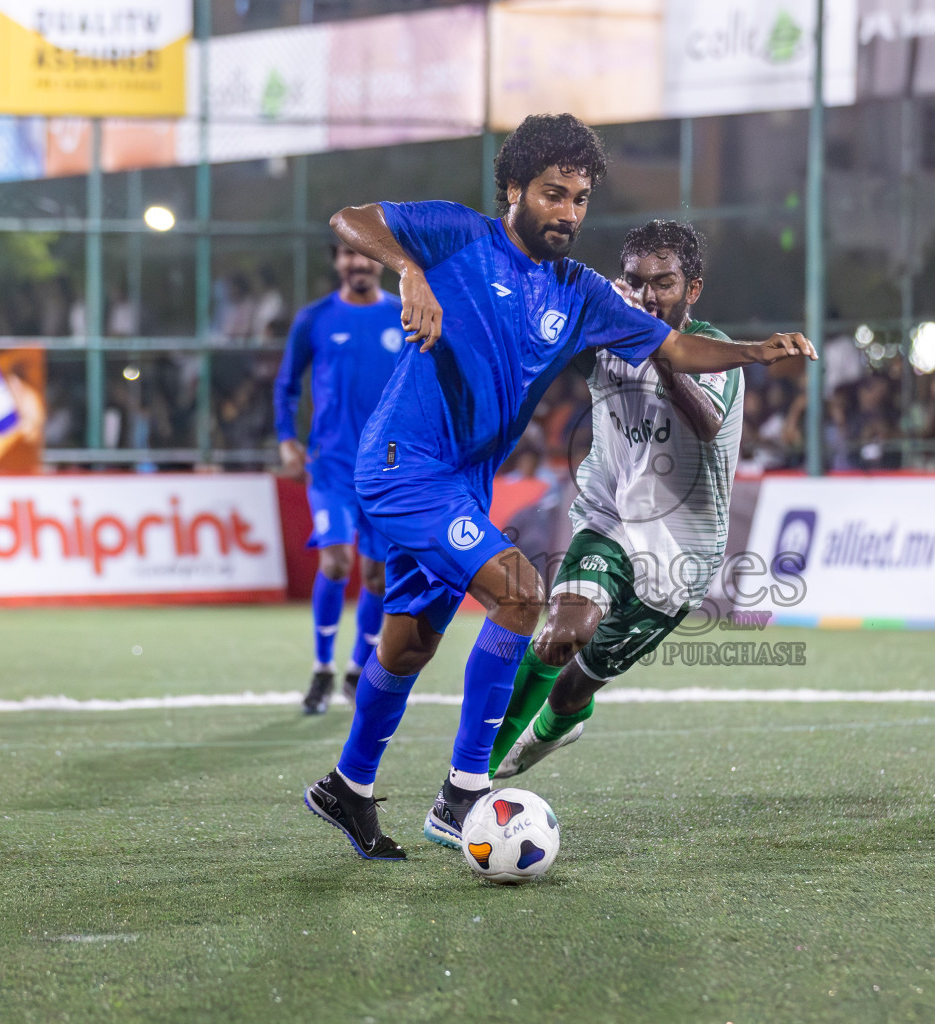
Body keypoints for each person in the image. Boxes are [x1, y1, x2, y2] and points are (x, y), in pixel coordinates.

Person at [304, 114, 815, 861]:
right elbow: (351, 219)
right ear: (514, 189)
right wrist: (407, 269)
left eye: (579, 198)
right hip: (402, 465)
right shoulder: (456, 234)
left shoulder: (579, 292)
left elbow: (673, 345)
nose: (568, 213)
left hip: (463, 485)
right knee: (521, 592)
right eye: (553, 194)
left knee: (409, 645)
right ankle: (465, 794)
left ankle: (347, 789)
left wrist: (754, 351)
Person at [487, 219, 743, 780]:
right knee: (560, 636)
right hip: (609, 519)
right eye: (636, 282)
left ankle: (561, 722)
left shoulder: (716, 350)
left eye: (665, 282)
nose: (650, 295)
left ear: (692, 289)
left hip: (680, 553)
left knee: (576, 686)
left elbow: (705, 421)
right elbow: (541, 335)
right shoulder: (606, 337)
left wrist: (652, 347)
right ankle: (471, 774)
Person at [274, 241, 406, 714]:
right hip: (330, 465)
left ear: (380, 263)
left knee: (376, 575)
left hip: (386, 468)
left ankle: (357, 669)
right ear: (337, 263)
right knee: (334, 563)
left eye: (367, 255)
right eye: (348, 256)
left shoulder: (405, 314)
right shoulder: (314, 319)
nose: (358, 263)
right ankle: (321, 668)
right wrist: (287, 438)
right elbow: (287, 385)